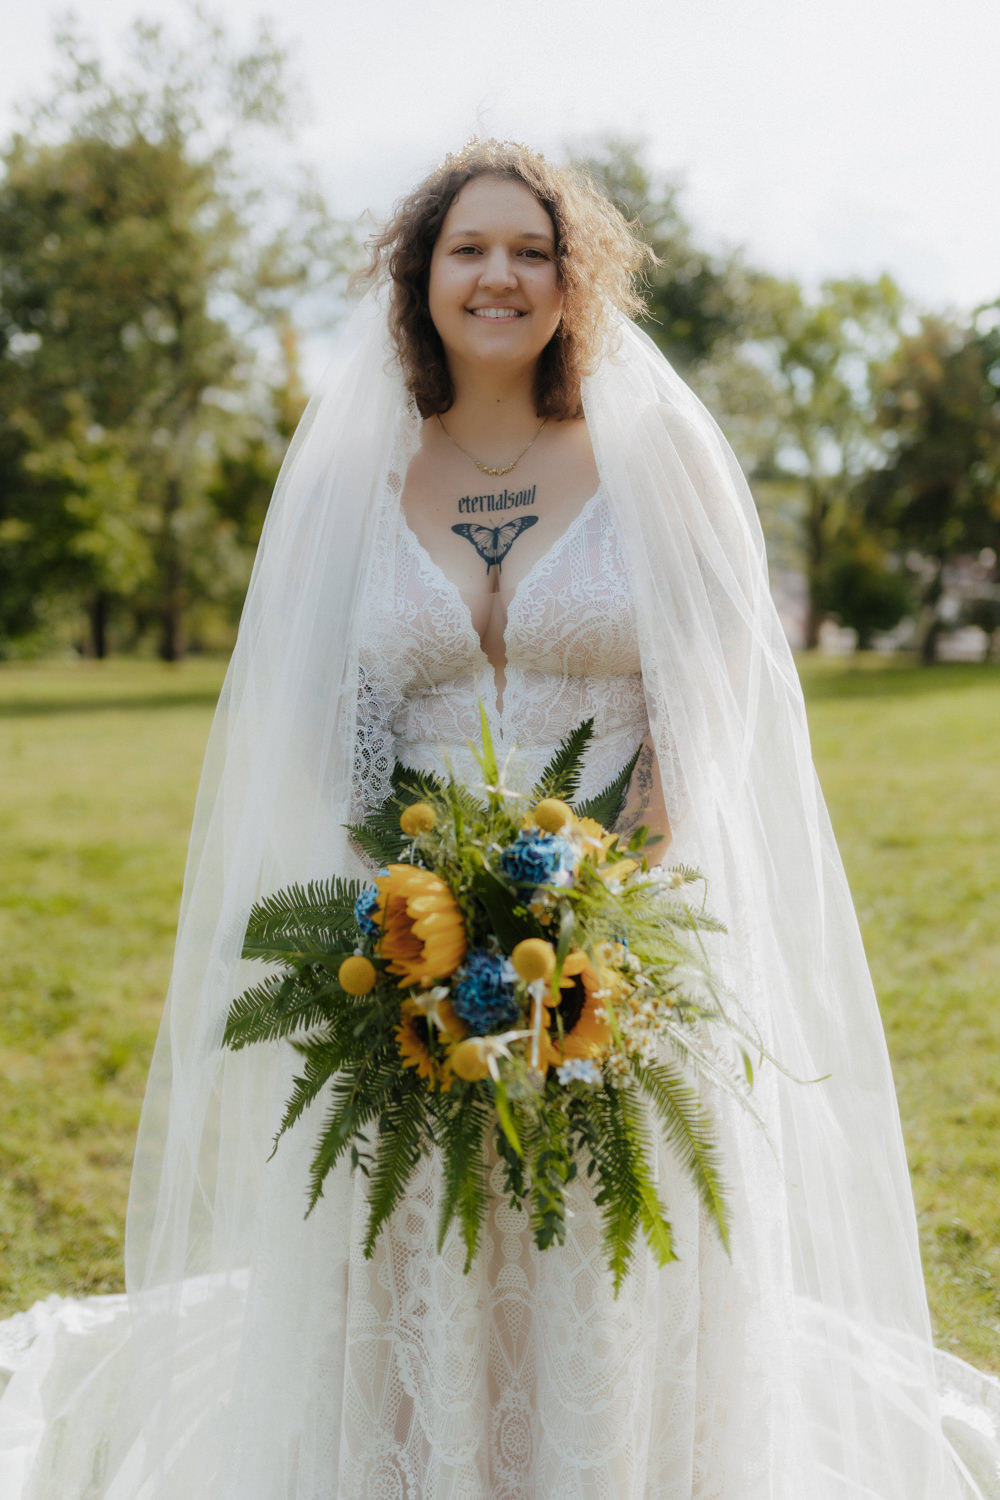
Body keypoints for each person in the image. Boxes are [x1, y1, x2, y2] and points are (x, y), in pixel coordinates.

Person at [2, 138, 999, 1498]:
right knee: (421, 1265)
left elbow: (706, 724)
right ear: (420, 281)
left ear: (573, 277)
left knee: (599, 1269)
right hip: (399, 962)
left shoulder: (653, 469)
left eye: (532, 248)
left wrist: (589, 917)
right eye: (469, 248)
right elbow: (335, 742)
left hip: (617, 958)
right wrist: (424, 930)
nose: (501, 273)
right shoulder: (360, 478)